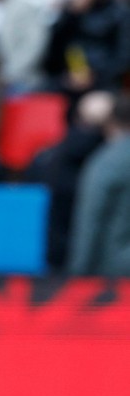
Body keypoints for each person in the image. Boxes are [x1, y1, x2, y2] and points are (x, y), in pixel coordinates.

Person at [69, 94, 130, 277]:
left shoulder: (108, 161)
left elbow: (91, 219)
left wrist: (77, 273)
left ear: (109, 123)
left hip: (115, 272)